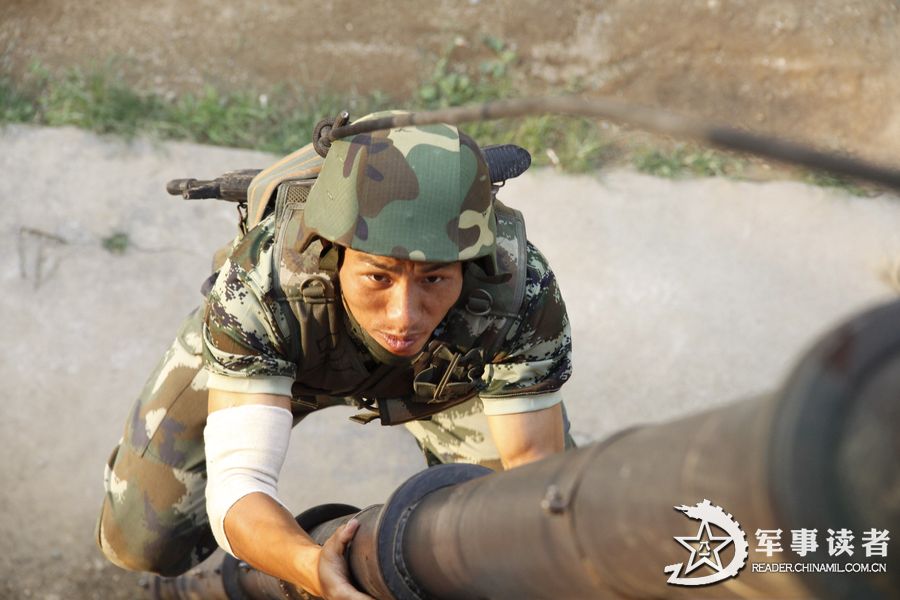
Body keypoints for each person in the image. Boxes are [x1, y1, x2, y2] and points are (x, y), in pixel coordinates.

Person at [96, 114, 574, 599]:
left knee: (518, 543)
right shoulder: (263, 284)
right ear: (334, 252)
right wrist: (309, 567)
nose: (404, 315)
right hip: (287, 349)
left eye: (434, 279)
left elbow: (532, 476)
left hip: (446, 374)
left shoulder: (519, 290)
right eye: (378, 277)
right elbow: (240, 484)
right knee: (141, 540)